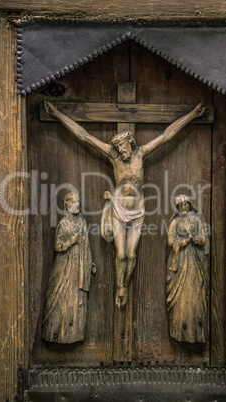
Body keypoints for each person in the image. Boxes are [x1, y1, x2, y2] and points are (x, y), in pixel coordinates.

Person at [44, 101, 206, 308]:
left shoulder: (141, 154)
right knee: (121, 254)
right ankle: (120, 287)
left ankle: (125, 286)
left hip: (137, 211)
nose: (121, 151)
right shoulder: (113, 157)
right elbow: (84, 136)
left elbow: (167, 135)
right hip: (119, 209)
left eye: (123, 147)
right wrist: (57, 113)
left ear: (131, 143)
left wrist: (192, 114)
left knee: (132, 254)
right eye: (118, 149)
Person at [42, 193, 95, 344]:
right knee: (62, 298)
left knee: (77, 300)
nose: (78, 205)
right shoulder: (64, 223)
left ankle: (74, 334)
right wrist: (71, 241)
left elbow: (86, 244)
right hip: (65, 267)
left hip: (80, 267)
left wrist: (90, 262)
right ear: (67, 205)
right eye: (75, 202)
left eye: (78, 202)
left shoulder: (82, 221)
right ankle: (57, 333)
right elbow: (57, 246)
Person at [166, 194, 209, 343]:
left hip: (196, 260)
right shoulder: (175, 222)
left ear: (190, 205)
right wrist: (181, 242)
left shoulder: (196, 220)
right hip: (181, 260)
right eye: (180, 206)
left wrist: (196, 239)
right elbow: (170, 240)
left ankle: (198, 330)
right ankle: (180, 329)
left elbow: (203, 238)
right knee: (181, 293)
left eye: (186, 205)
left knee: (197, 291)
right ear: (177, 208)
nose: (184, 208)